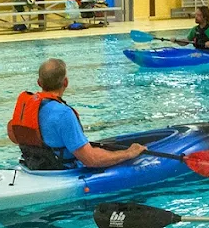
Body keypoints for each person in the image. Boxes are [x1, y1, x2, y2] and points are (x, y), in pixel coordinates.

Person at [8, 58, 145, 170]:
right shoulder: (64, 114)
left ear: (39, 83)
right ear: (66, 82)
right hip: (59, 171)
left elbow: (13, 136)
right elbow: (91, 160)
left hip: (33, 167)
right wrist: (128, 153)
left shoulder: (28, 106)